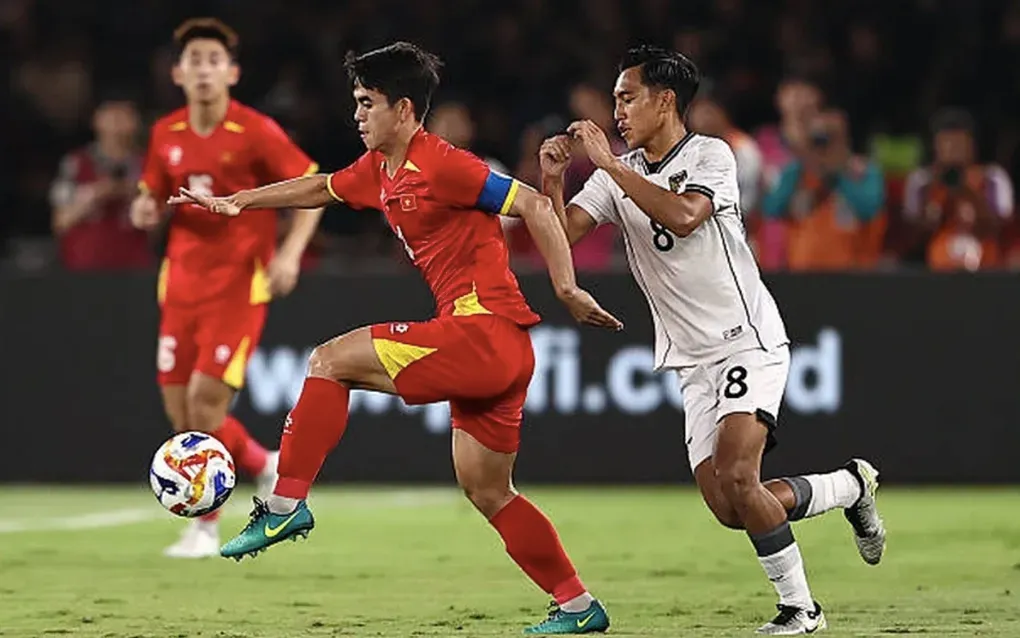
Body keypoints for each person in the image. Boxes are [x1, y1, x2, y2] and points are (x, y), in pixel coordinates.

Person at [173, 41, 620, 635]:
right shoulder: (379, 170)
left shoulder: (443, 163)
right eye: (356, 102)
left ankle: (283, 506)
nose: (356, 114)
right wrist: (238, 201)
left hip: (482, 332)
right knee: (490, 491)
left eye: (368, 102)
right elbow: (321, 187)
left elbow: (535, 205)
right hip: (503, 348)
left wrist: (567, 288)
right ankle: (578, 605)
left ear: (404, 109)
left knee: (328, 361)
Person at [538, 45, 886, 635]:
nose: (617, 111)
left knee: (741, 478)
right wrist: (551, 179)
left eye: (627, 98)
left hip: (744, 339)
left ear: (665, 101)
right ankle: (850, 486)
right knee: (730, 506)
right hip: (691, 360)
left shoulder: (710, 154)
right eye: (616, 99)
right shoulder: (615, 174)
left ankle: (802, 610)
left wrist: (611, 166)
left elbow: (683, 216)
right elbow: (562, 235)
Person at [130, 18, 324, 559]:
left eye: (214, 60)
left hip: (238, 285)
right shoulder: (165, 133)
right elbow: (151, 195)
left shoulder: (255, 131)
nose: (204, 70)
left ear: (232, 73)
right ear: (177, 73)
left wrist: (289, 253)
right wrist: (143, 208)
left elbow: (312, 187)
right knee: (183, 418)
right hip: (179, 285)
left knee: (204, 404)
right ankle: (264, 463)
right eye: (194, 60)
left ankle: (205, 527)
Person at [50, 95, 151, 270]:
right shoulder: (76, 164)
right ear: (96, 120)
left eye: (124, 116)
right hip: (83, 267)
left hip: (134, 266)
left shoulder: (147, 165)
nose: (116, 124)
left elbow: (159, 226)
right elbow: (60, 221)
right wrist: (95, 195)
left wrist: (133, 194)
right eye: (111, 116)